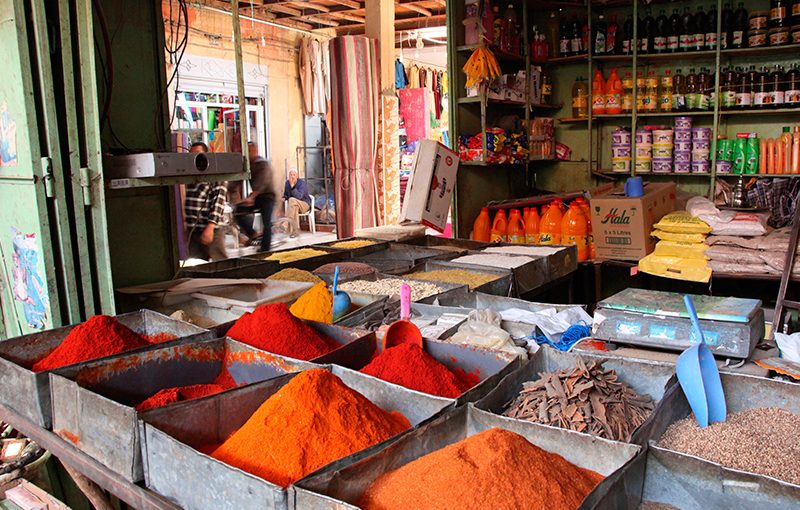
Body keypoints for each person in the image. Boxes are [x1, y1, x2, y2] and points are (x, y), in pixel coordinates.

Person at [184, 142, 228, 261]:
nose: (195, 158)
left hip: (211, 229)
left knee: (220, 263)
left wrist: (210, 227)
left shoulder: (216, 175)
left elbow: (218, 202)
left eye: (198, 154)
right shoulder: (190, 176)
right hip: (194, 230)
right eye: (191, 155)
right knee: (197, 265)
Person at [235, 142, 274, 252]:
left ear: (255, 152)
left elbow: (263, 183)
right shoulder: (247, 165)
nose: (249, 154)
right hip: (256, 196)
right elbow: (237, 180)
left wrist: (252, 197)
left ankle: (265, 250)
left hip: (267, 196)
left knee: (266, 222)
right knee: (238, 210)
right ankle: (253, 234)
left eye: (250, 151)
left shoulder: (262, 164)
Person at [283, 169, 312, 237]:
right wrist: (284, 197)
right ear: (288, 176)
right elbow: (286, 195)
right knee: (294, 207)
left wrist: (293, 187)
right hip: (294, 205)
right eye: (290, 175)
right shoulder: (287, 183)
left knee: (292, 200)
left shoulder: (301, 183)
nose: (292, 177)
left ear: (297, 176)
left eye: (294, 175)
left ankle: (285, 223)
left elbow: (299, 196)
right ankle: (295, 231)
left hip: (304, 204)